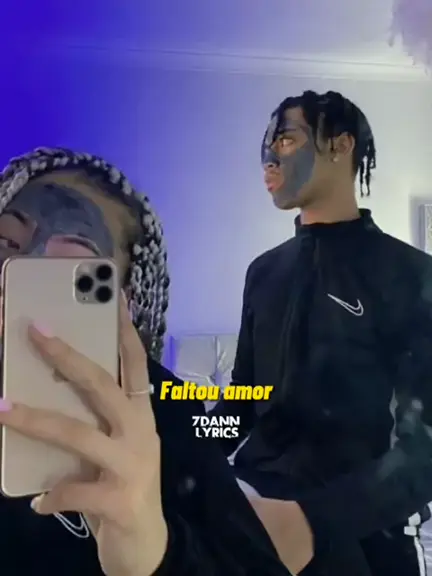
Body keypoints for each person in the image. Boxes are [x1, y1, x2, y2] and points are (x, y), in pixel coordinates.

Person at [0, 148, 292, 576]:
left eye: (68, 269)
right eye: (6, 243)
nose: (13, 277)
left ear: (125, 303)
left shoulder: (165, 410)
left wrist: (155, 555)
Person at [209, 91, 432, 576]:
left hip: (361, 533)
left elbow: (424, 450)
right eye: (266, 146)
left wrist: (313, 522)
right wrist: (176, 442)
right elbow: (241, 405)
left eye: (286, 140)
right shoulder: (263, 273)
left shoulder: (411, 274)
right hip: (257, 518)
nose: (269, 158)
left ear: (340, 144)